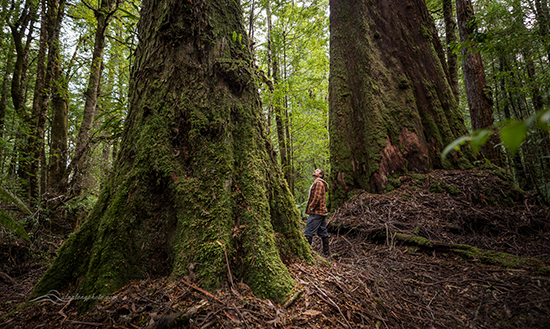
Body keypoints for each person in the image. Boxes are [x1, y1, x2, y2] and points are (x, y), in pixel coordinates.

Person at [304, 168, 330, 255]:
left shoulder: (319, 183)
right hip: (321, 212)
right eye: (315, 170)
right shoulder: (318, 183)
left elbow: (317, 197)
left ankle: (306, 253)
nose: (315, 171)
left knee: (308, 232)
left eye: (317, 171)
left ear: (320, 175)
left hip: (317, 212)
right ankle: (326, 252)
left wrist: (311, 207)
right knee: (323, 232)